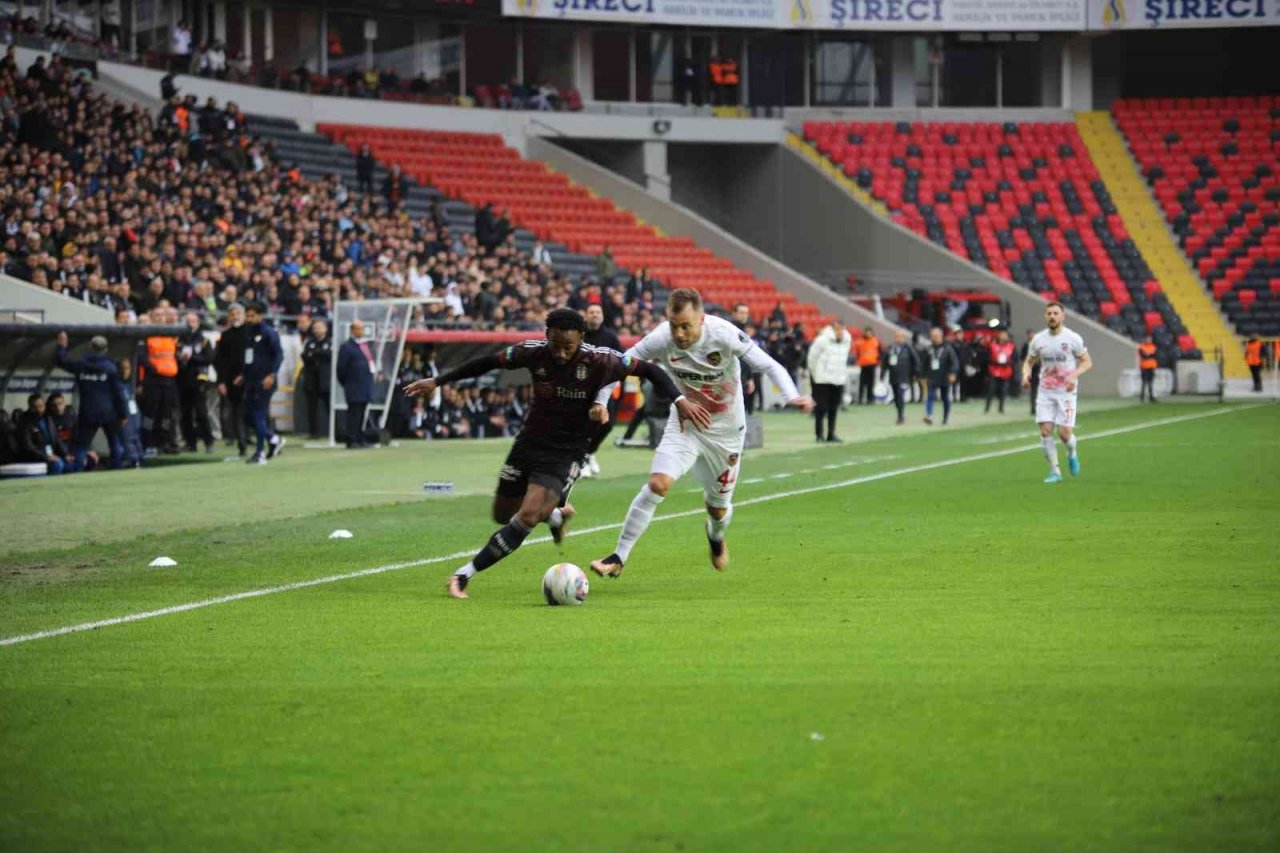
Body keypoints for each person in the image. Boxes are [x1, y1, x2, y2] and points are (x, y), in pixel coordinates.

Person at [402, 308, 705, 600]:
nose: (560, 353)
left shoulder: (600, 359)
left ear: (581, 339)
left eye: (568, 347)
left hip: (568, 450)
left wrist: (679, 401)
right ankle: (556, 515)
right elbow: (488, 362)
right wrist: (438, 381)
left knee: (527, 515)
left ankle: (463, 574)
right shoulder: (532, 352)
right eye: (555, 345)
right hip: (529, 442)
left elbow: (650, 370)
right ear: (547, 335)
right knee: (502, 515)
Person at [589, 288, 814, 580]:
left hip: (726, 433)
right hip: (686, 425)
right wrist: (601, 401)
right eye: (674, 325)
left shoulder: (723, 334)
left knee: (717, 509)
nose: (679, 334)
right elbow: (617, 366)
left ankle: (716, 535)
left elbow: (768, 364)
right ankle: (619, 556)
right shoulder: (661, 337)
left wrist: (791, 395)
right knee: (658, 484)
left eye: (686, 326)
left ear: (702, 319)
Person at [1022, 302, 1092, 484]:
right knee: (1046, 431)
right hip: (1045, 392)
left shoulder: (1073, 338)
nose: (1052, 316)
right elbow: (1028, 362)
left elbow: (1087, 362)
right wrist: (1025, 375)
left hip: (1066, 392)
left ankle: (1072, 453)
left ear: (1062, 316)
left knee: (1064, 434)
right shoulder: (1038, 340)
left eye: (1055, 313)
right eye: (1049, 313)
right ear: (1045, 317)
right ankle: (1055, 471)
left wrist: (1073, 376)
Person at [55, 332, 128, 471]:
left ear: (90, 347)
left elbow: (61, 361)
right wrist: (123, 414)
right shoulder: (110, 368)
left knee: (81, 445)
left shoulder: (81, 364)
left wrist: (62, 346)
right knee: (114, 443)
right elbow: (118, 393)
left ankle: (76, 470)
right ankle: (116, 470)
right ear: (105, 349)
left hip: (88, 412)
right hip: (109, 412)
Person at [580, 303, 623, 477]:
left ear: (603, 316)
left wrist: (618, 378)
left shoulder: (611, 337)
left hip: (605, 386)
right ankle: (582, 459)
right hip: (582, 386)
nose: (595, 315)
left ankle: (589, 452)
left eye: (598, 312)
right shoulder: (579, 334)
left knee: (607, 424)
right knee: (585, 423)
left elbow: (620, 359)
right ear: (586, 315)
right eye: (591, 312)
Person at [242, 302, 284, 464]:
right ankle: (273, 439)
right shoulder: (248, 333)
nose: (249, 319)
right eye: (247, 316)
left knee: (259, 415)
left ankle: (260, 453)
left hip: (265, 381)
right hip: (250, 380)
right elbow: (249, 356)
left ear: (260, 316)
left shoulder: (269, 333)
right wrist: (243, 374)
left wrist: (272, 375)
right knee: (248, 416)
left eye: (252, 316)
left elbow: (279, 355)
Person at [138, 313, 182, 454]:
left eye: (161, 316)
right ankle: (147, 442)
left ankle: (165, 441)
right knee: (150, 413)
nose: (159, 318)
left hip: (169, 380)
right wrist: (155, 369)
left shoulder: (170, 337)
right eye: (156, 316)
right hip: (153, 380)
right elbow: (141, 357)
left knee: (166, 414)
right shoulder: (147, 337)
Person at [806, 318, 851, 443]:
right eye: (837, 329)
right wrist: (815, 374)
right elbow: (812, 358)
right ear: (832, 329)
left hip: (838, 379)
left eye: (841, 329)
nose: (839, 332)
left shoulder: (846, 341)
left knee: (834, 408)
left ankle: (831, 433)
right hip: (822, 379)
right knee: (821, 408)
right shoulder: (822, 340)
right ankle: (819, 434)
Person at [177, 311, 215, 451]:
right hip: (182, 379)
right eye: (187, 321)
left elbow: (209, 358)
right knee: (185, 413)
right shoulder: (179, 340)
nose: (190, 324)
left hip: (198, 379)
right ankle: (190, 442)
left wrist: (191, 357)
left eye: (192, 321)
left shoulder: (203, 340)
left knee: (201, 412)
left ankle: (208, 441)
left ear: (198, 323)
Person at [215, 303, 249, 456]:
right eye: (232, 314)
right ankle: (242, 444)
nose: (235, 317)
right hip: (231, 380)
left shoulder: (249, 333)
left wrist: (244, 374)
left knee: (253, 412)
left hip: (249, 378)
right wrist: (221, 381)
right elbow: (220, 361)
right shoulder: (226, 335)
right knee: (236, 412)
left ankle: (266, 439)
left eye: (238, 314)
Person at [336, 319, 376, 448]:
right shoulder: (346, 347)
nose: (361, 331)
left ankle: (359, 437)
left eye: (362, 328)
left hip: (365, 386)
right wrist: (347, 383)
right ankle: (351, 439)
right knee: (354, 413)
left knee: (361, 413)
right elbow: (341, 369)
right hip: (353, 386)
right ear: (352, 330)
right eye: (358, 329)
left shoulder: (364, 345)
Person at [17, 395, 70, 474]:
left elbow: (56, 439)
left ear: (44, 406)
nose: (38, 409)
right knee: (57, 464)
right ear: (30, 407)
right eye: (35, 407)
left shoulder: (48, 418)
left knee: (71, 463)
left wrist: (65, 454)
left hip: (50, 452)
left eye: (40, 406)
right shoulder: (25, 422)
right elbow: (28, 446)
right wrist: (46, 456)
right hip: (34, 457)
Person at [881, 329, 921, 425]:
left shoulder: (908, 348)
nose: (898, 338)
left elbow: (916, 360)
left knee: (900, 395)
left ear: (903, 337)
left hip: (904, 376)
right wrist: (882, 374)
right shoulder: (891, 348)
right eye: (896, 336)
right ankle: (900, 413)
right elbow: (885, 362)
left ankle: (900, 416)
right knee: (896, 397)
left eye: (900, 336)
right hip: (893, 376)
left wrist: (916, 374)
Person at [300, 319, 333, 439]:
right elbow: (305, 356)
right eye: (315, 328)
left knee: (329, 406)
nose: (317, 330)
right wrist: (318, 353)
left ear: (325, 329)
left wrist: (315, 353)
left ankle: (333, 431)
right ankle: (313, 433)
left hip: (325, 380)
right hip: (312, 380)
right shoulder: (309, 342)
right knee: (312, 408)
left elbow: (329, 355)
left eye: (319, 327)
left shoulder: (330, 342)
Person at [922, 327, 959, 426]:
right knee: (930, 396)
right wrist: (923, 376)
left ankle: (945, 418)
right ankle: (929, 416)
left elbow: (954, 362)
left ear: (941, 336)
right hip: (932, 377)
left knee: (945, 398)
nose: (933, 338)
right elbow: (924, 363)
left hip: (944, 377)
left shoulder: (948, 349)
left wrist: (953, 373)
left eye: (935, 336)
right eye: (932, 336)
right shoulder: (929, 349)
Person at [117, 357, 144, 467]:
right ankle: (132, 460)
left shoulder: (130, 385)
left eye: (127, 368)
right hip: (125, 419)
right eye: (122, 368)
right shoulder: (117, 386)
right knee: (127, 441)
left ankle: (139, 459)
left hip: (134, 418)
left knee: (136, 440)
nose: (125, 371)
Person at [984, 330, 1016, 414]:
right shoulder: (992, 345)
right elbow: (987, 358)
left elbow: (1015, 359)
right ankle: (987, 408)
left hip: (1006, 372)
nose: (1003, 337)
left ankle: (1001, 408)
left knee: (1003, 391)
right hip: (994, 371)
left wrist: (1008, 362)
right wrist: (995, 362)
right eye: (1002, 335)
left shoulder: (1011, 346)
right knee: (991, 390)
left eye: (1005, 335)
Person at [854, 328, 880, 404]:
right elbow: (857, 353)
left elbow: (880, 352)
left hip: (872, 365)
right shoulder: (860, 342)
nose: (868, 334)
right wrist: (859, 360)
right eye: (867, 332)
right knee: (862, 383)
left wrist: (877, 360)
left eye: (870, 333)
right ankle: (860, 399)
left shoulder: (876, 341)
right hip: (863, 365)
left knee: (871, 383)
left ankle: (870, 399)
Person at [1019, 329, 1039, 415]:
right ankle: (1033, 408)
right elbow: (1022, 357)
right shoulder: (1026, 345)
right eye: (1029, 335)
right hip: (1030, 369)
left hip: (1038, 368)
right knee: (1033, 390)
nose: (1031, 336)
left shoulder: (1039, 345)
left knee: (1040, 390)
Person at [1137, 335, 1159, 403]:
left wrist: (1148, 354)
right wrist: (1149, 354)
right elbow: (1143, 355)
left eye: (1150, 339)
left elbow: (1155, 355)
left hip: (1152, 366)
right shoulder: (1141, 347)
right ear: (1145, 339)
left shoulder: (1153, 347)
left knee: (1150, 382)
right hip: (1144, 366)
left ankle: (1151, 397)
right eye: (1148, 339)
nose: (1149, 340)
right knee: (1144, 382)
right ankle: (1142, 397)